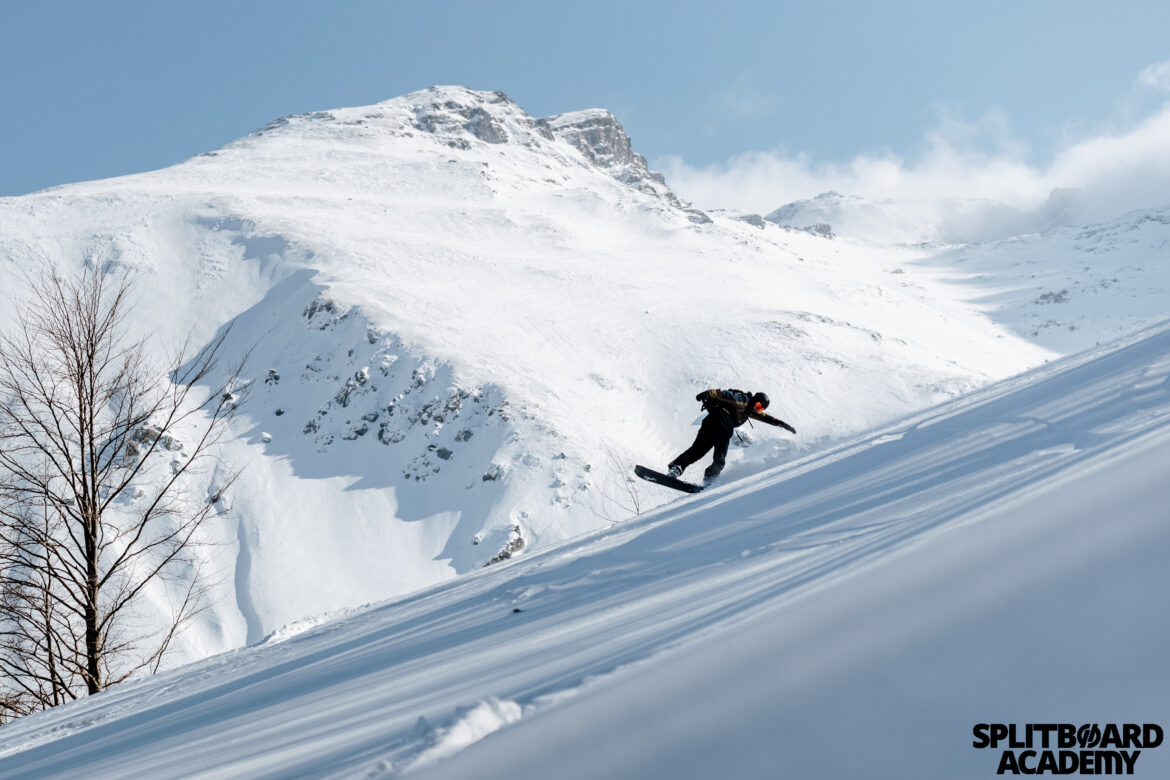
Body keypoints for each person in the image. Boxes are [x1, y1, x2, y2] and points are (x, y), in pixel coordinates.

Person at [668, 389, 795, 484]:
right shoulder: (744, 400)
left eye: (760, 408)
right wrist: (707, 393)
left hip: (710, 423)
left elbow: (766, 418)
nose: (757, 409)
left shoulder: (750, 410)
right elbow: (723, 394)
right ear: (755, 400)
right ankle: (708, 481)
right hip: (722, 425)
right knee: (719, 460)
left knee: (697, 451)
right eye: (758, 405)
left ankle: (676, 468)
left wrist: (782, 424)